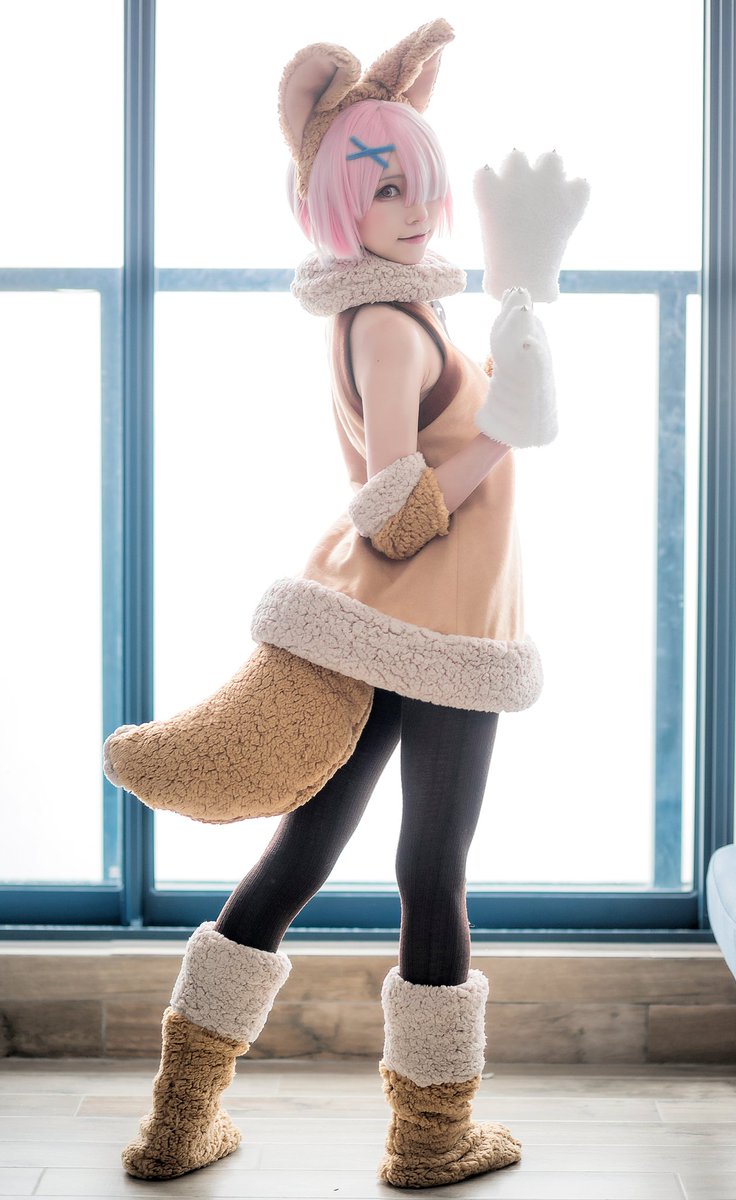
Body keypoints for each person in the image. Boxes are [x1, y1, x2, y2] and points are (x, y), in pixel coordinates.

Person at [121, 17, 556, 1189]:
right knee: (429, 868)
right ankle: (433, 1135)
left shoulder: (394, 311)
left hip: (395, 628)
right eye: (382, 186)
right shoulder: (389, 326)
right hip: (437, 631)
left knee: (307, 853)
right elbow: (394, 507)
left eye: (419, 180)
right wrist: (504, 431)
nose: (413, 207)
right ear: (333, 202)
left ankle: (180, 1118)